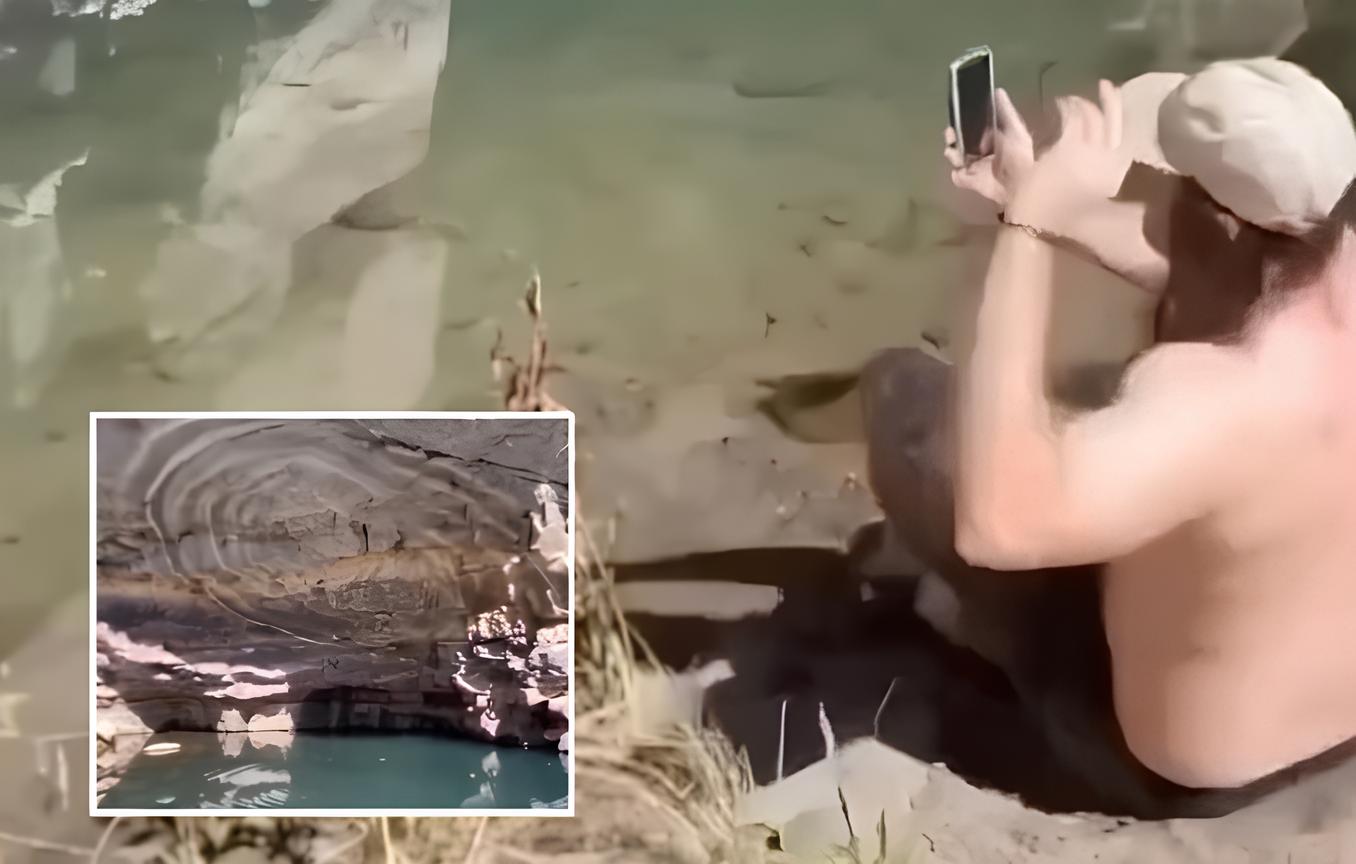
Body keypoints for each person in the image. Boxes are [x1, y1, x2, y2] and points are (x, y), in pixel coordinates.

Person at [863, 62, 1356, 818]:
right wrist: (1042, 203)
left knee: (906, 397)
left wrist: (1024, 236)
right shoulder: (1334, 266)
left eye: (1172, 185)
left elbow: (999, 525)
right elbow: (1223, 267)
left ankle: (981, 634)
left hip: (1189, 773)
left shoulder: (1206, 401)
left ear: (1213, 222)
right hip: (1333, 725)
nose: (1154, 197)